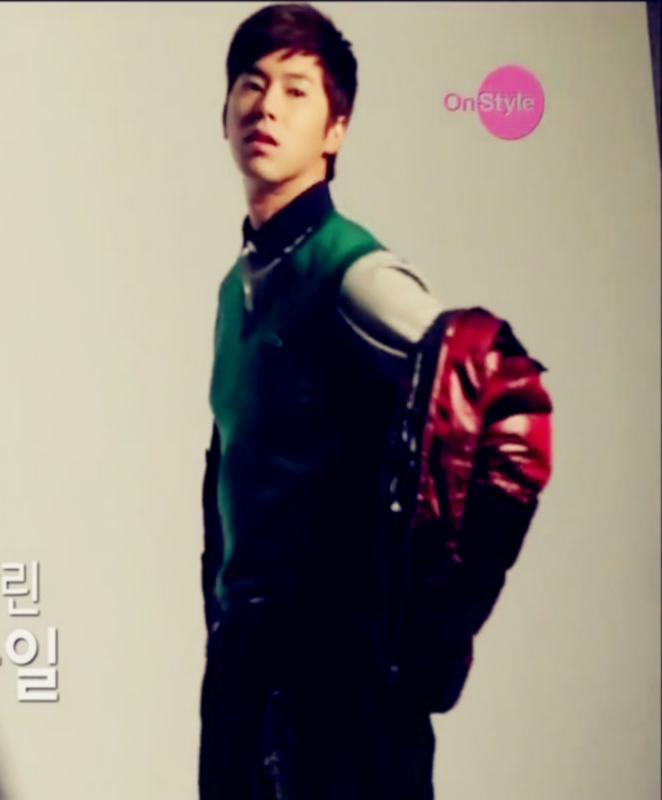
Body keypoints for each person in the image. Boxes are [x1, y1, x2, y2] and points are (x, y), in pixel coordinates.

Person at [199, 4, 553, 799]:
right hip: (247, 669)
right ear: (224, 114)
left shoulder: (354, 276)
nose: (266, 106)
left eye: (296, 90)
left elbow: (505, 391)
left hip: (332, 677)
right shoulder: (235, 288)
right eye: (251, 84)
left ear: (336, 130)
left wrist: (432, 617)